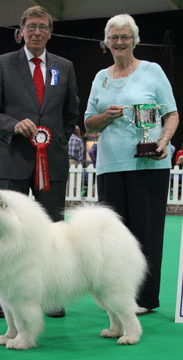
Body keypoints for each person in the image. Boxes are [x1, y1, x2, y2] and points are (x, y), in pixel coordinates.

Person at [0, 5, 80, 318]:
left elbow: (71, 113)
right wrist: (13, 125)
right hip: (12, 161)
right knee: (10, 232)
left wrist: (57, 141)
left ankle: (50, 295)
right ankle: (8, 298)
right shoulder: (2, 63)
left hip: (51, 162)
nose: (37, 32)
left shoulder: (63, 66)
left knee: (52, 232)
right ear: (21, 31)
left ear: (50, 33)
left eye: (43, 27)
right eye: (31, 27)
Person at [84, 14, 179, 315]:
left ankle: (145, 299)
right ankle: (116, 297)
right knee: (112, 237)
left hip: (148, 165)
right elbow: (88, 122)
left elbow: (172, 114)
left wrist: (163, 141)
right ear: (107, 41)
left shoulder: (152, 71)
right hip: (110, 166)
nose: (120, 42)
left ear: (134, 40)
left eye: (126, 37)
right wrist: (105, 117)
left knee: (147, 233)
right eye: (114, 37)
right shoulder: (100, 77)